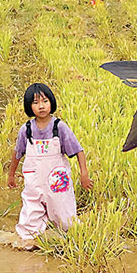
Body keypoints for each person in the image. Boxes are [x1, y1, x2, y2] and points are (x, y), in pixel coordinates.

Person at [7, 83, 93, 249]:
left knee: (64, 216)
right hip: (34, 179)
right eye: (35, 103)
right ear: (29, 106)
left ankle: (70, 242)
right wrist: (11, 175)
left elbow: (78, 150)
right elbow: (18, 153)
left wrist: (84, 174)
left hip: (57, 180)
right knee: (30, 215)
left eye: (45, 101)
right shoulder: (26, 130)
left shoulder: (59, 127)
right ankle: (30, 242)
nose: (41, 106)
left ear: (51, 102)